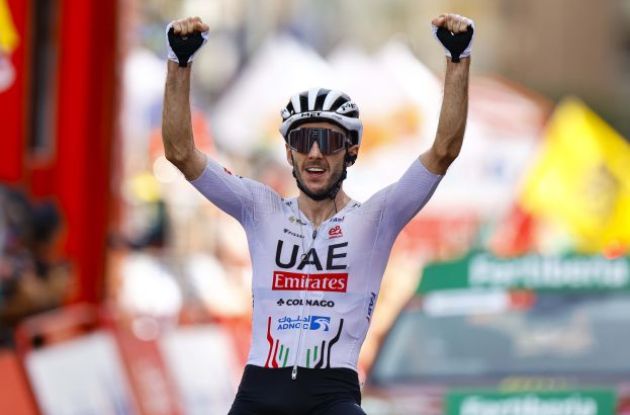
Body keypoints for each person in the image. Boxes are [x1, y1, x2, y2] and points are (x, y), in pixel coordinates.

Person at [162, 12, 474, 415]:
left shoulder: (375, 218)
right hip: (261, 390)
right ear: (289, 152)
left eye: (327, 140)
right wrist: (179, 63)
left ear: (351, 151)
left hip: (331, 395)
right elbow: (180, 153)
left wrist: (458, 60)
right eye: (303, 139)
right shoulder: (260, 208)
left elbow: (443, 151)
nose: (314, 152)